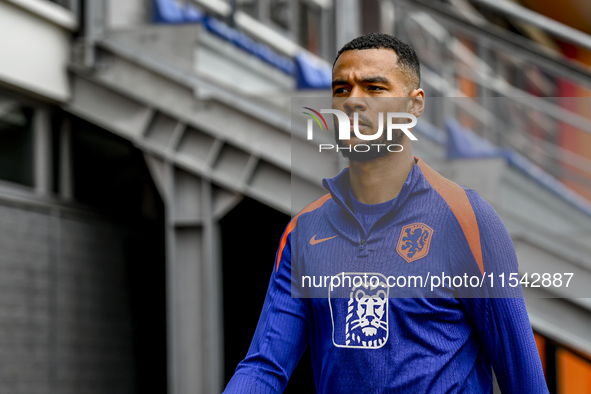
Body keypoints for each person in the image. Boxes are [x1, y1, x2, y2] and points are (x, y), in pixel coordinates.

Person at [223, 33, 548, 393]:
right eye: (341, 89)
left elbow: (526, 381)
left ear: (414, 105)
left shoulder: (469, 221)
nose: (353, 102)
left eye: (374, 88)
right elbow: (264, 368)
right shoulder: (304, 232)